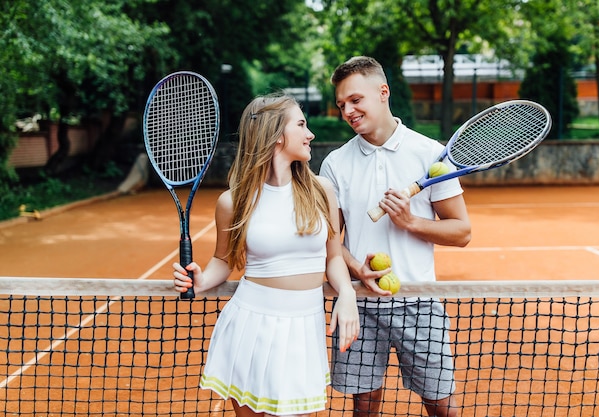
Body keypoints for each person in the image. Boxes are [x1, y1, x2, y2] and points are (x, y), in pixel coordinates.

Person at [173, 92, 360, 417]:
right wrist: (201, 281)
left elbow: (333, 257)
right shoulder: (233, 202)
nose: (310, 134)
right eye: (301, 124)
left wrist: (346, 294)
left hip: (305, 327)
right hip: (251, 327)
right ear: (275, 134)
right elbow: (223, 261)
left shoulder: (322, 191)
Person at [319, 56, 472, 417]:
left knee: (442, 406)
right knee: (364, 407)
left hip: (419, 301)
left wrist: (411, 222)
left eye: (356, 100)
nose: (348, 111)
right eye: (342, 104)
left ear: (383, 92)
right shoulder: (335, 165)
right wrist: (357, 268)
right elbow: (328, 243)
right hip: (360, 304)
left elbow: (462, 231)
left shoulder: (431, 154)